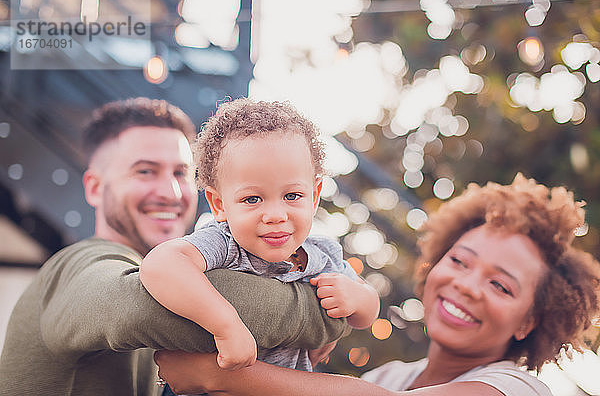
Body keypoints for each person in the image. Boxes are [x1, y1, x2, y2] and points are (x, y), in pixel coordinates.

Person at [0, 98, 349, 396]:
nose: (170, 192)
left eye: (181, 173)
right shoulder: (81, 263)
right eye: (145, 172)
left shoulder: (198, 270)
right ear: (94, 188)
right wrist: (329, 312)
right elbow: (141, 305)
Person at [154, 173, 600, 396]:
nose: (467, 286)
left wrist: (219, 373)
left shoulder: (517, 387)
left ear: (529, 322)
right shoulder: (391, 377)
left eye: (501, 286)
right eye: (460, 261)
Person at [140, 98, 380, 372]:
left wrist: (357, 298)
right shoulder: (225, 243)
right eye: (253, 199)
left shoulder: (322, 254)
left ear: (314, 197)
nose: (276, 215)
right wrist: (225, 325)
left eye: (292, 195)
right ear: (220, 205)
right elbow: (160, 265)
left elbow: (367, 312)